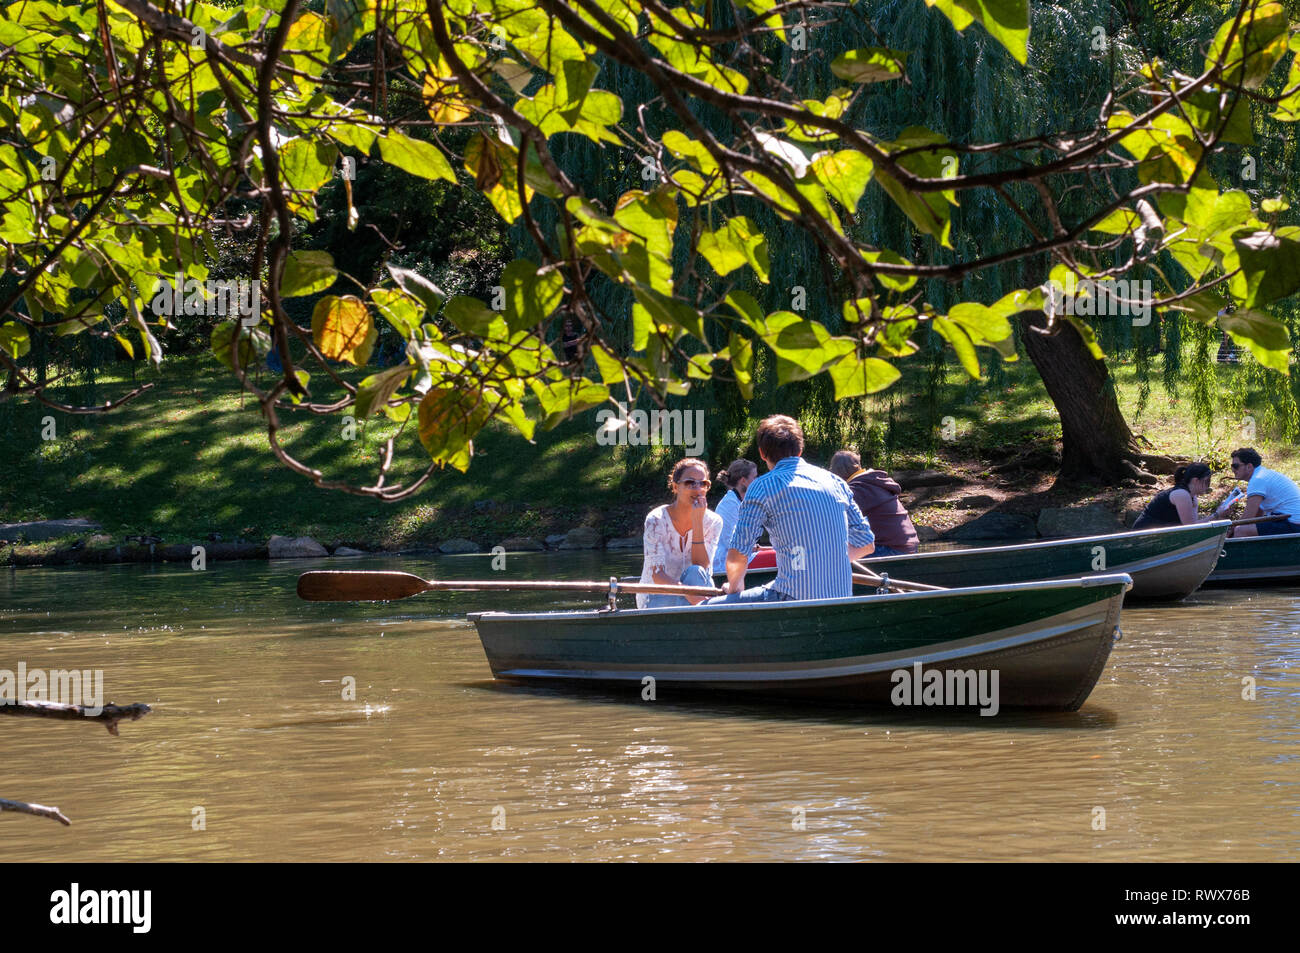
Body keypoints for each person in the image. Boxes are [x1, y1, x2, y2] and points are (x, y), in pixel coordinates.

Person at [707, 415, 875, 604]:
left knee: (707, 607)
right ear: (800, 450)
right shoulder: (836, 482)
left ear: (762, 453)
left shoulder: (762, 487)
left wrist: (733, 588)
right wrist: (826, 563)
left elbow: (738, 551)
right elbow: (866, 543)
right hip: (841, 598)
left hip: (791, 597)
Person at [637, 457, 724, 608]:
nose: (698, 489)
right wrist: (687, 592)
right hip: (659, 595)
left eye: (703, 483)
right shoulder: (656, 519)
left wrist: (697, 523)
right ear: (676, 487)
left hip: (697, 592)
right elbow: (657, 576)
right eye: (690, 482)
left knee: (695, 571)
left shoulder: (714, 521)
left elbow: (702, 566)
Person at [827, 449, 919, 556]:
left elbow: (834, 522)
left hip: (890, 550)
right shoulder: (872, 482)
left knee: (835, 554)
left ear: (836, 473)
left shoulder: (856, 490)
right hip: (910, 547)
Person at [1131, 463, 1234, 529]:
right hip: (1143, 535)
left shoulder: (1192, 497)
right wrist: (1216, 515)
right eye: (1207, 481)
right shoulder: (1182, 494)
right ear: (1196, 481)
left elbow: (1195, 525)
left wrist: (1220, 514)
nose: (1208, 485)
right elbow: (1190, 527)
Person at [1227, 448, 1300, 537]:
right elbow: (1258, 514)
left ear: (1249, 466)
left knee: (1241, 531)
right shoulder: (1262, 475)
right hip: (1289, 521)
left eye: (1235, 466)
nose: (1233, 470)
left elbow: (1248, 517)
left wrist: (1229, 531)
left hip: (1292, 523)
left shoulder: (1257, 479)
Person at [712, 459, 759, 574]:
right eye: (755, 477)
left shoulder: (742, 502)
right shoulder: (729, 504)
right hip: (726, 562)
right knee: (776, 558)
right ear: (743, 481)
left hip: (740, 558)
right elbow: (731, 542)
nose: (757, 481)